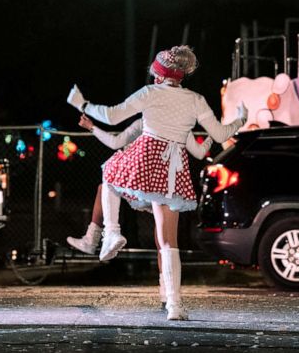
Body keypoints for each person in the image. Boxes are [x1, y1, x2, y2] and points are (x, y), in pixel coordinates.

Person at [67, 45, 246, 320]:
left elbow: (113, 116)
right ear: (182, 75)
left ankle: (111, 233)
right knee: (167, 240)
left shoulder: (150, 93)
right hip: (173, 170)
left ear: (159, 74)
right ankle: (174, 305)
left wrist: (83, 105)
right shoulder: (195, 100)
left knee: (109, 172)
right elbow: (218, 136)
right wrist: (241, 120)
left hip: (147, 158)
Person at [66, 114, 212, 307]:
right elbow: (197, 150)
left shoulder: (150, 120)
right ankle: (167, 293)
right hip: (163, 185)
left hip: (143, 183)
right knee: (165, 240)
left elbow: (115, 140)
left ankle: (101, 236)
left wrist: (93, 126)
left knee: (107, 183)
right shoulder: (172, 119)